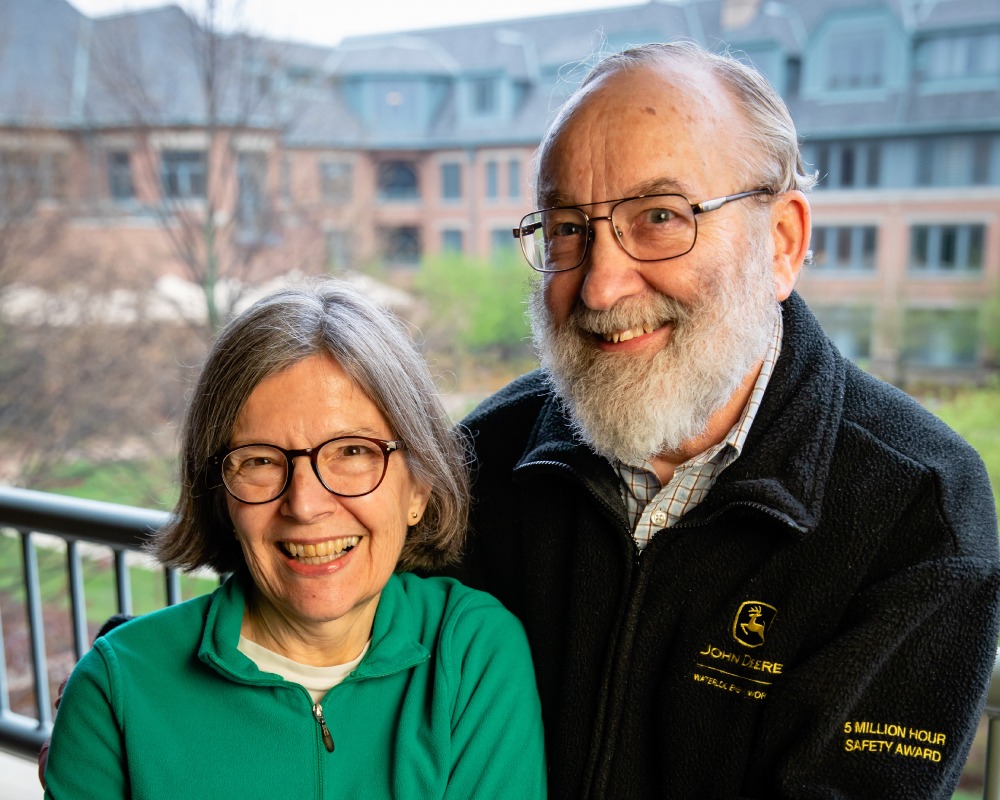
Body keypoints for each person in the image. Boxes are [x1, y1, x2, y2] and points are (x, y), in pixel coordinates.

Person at [455, 41, 1000, 799]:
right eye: (568, 229)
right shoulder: (480, 462)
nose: (603, 286)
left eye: (659, 216)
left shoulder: (916, 507)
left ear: (783, 243)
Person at [41, 281, 546, 799]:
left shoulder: (472, 652)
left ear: (418, 486)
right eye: (259, 460)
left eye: (352, 452)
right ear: (220, 494)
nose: (305, 505)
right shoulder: (115, 688)